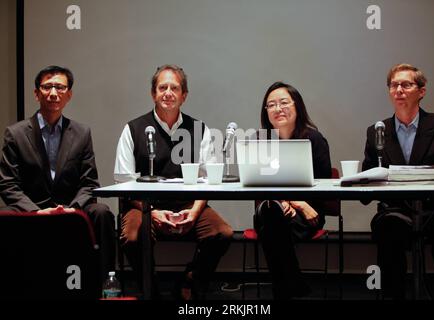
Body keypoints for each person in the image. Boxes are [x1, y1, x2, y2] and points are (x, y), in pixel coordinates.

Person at [114, 64, 233, 300]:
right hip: (144, 206)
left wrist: (194, 211)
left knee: (223, 233)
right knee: (133, 237)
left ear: (184, 95)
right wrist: (153, 212)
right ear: (153, 94)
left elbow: (208, 179)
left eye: (174, 88)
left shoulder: (200, 129)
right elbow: (124, 182)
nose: (168, 92)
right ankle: (152, 292)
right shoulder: (133, 129)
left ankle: (190, 280)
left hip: (188, 205)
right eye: (162, 87)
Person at [0, 65, 116, 284]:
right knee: (5, 216)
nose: (54, 93)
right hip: (32, 209)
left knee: (102, 212)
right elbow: (8, 184)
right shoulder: (15, 134)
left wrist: (73, 209)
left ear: (69, 95)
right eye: (47, 87)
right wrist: (36, 212)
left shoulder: (82, 133)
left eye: (60, 87)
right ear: (37, 93)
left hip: (71, 208)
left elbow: (89, 183)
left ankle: (104, 286)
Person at [362, 63, 434, 300]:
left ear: (421, 91)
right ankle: (393, 296)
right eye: (394, 85)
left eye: (406, 84)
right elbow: (367, 177)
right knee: (387, 226)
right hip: (397, 210)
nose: (398, 89)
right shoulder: (377, 131)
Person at [253, 82, 332, 299]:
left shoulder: (314, 139)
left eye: (283, 102)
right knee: (271, 214)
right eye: (271, 105)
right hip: (272, 209)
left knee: (272, 226)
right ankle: (294, 286)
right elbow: (255, 184)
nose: (277, 109)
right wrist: (294, 201)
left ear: (297, 106)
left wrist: (299, 204)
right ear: (266, 112)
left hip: (309, 213)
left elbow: (325, 186)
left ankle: (285, 290)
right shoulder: (260, 142)